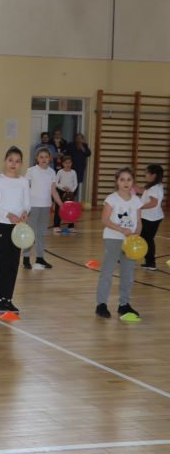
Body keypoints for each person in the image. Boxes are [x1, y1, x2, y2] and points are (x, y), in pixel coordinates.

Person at [0, 146, 30, 315]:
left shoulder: (24, 181)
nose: (13, 164)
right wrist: (8, 215)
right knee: (2, 264)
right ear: (5, 161)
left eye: (17, 161)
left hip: (18, 228)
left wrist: (25, 212)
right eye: (10, 160)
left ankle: (8, 299)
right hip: (2, 226)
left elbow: (27, 203)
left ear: (21, 164)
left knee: (13, 264)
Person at [95, 168, 143, 320]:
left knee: (128, 274)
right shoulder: (112, 199)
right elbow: (105, 220)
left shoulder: (137, 201)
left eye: (129, 179)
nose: (126, 182)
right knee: (107, 272)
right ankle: (101, 304)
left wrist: (136, 236)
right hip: (113, 239)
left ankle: (124, 304)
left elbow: (139, 222)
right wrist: (121, 230)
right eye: (122, 179)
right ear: (117, 181)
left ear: (133, 181)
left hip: (130, 242)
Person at [22, 149, 63, 270]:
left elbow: (54, 191)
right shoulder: (31, 171)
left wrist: (61, 204)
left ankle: (40, 258)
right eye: (41, 157)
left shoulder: (52, 172)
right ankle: (26, 258)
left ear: (50, 158)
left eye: (46, 157)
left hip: (46, 206)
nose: (44, 159)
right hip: (33, 206)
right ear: (37, 158)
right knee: (30, 233)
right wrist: (24, 206)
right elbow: (24, 189)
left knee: (41, 233)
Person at [138, 164, 164, 271]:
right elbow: (142, 190)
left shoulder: (154, 188)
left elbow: (153, 203)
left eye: (147, 173)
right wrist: (130, 185)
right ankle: (150, 262)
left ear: (153, 175)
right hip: (154, 217)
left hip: (150, 218)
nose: (145, 175)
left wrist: (139, 206)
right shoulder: (156, 186)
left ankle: (150, 263)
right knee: (146, 238)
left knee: (145, 239)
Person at [53, 156, 78, 233]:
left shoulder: (73, 172)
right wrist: (63, 187)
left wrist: (71, 190)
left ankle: (71, 227)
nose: (68, 164)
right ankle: (56, 226)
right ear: (63, 164)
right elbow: (56, 183)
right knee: (58, 209)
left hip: (70, 193)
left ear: (71, 163)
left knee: (71, 210)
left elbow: (76, 183)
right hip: (61, 192)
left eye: (69, 163)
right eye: (66, 163)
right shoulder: (60, 172)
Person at [67, 133, 91, 201]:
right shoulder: (71, 145)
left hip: (80, 168)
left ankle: (73, 198)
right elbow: (67, 153)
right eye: (77, 138)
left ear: (82, 139)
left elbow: (88, 153)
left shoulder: (84, 145)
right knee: (69, 182)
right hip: (71, 167)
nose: (79, 139)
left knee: (76, 183)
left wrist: (82, 148)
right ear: (75, 139)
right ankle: (67, 198)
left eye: (80, 138)